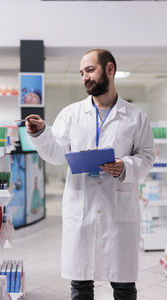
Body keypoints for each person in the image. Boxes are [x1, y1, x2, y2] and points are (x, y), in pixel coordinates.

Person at [25, 49, 155, 300]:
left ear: (109, 69)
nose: (85, 77)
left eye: (90, 70)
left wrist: (125, 166)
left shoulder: (136, 117)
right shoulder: (71, 114)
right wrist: (41, 133)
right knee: (81, 285)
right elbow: (56, 154)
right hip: (81, 208)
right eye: (81, 72)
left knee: (124, 286)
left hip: (119, 212)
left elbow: (147, 157)